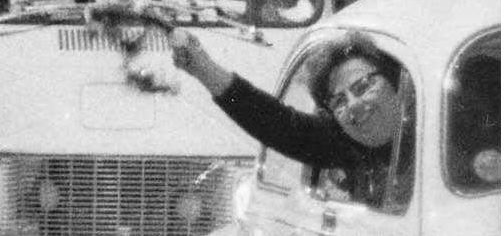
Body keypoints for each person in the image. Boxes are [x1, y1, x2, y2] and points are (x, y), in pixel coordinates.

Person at [170, 28, 412, 208]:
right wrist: (202, 68)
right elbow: (276, 123)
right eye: (339, 101)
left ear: (396, 83)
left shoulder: (433, 138)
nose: (354, 105)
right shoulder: (348, 146)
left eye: (363, 86)